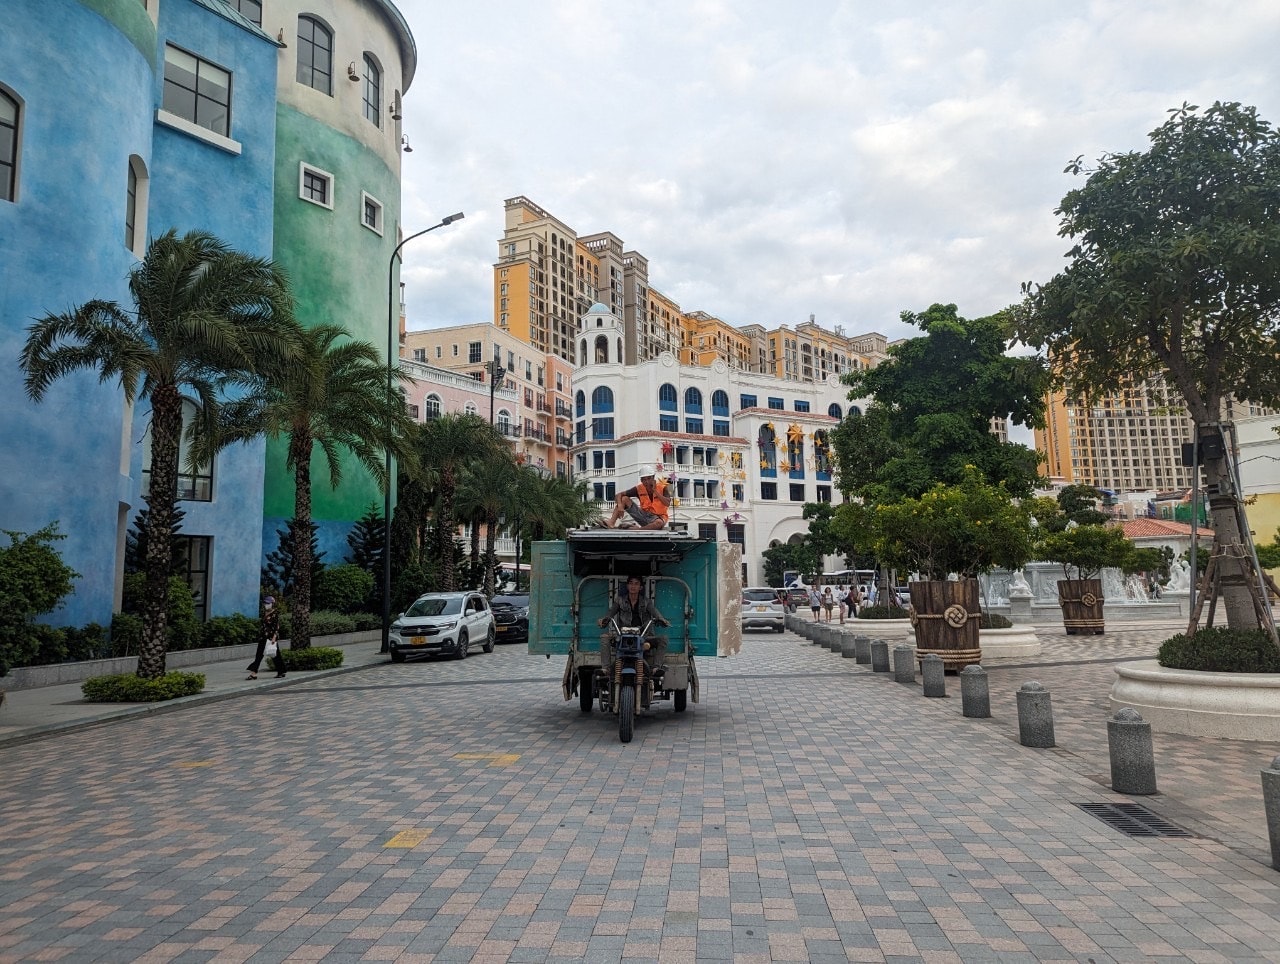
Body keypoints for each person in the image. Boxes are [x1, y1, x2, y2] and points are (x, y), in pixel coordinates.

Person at [597, 575, 671, 680]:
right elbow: (610, 613)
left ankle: (656, 668)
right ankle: (606, 669)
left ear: (640, 587)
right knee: (604, 637)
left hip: (643, 636)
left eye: (636, 584)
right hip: (622, 636)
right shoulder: (619, 601)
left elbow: (656, 614)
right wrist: (603, 620)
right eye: (631, 583)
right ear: (627, 586)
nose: (633, 586)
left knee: (663, 639)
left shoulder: (646, 602)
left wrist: (662, 620)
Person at [604, 464, 671, 530]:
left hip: (658, 518)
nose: (647, 481)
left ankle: (637, 529)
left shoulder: (662, 488)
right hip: (643, 515)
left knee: (658, 523)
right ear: (641, 480)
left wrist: (655, 491)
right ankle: (611, 523)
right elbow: (619, 495)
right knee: (624, 499)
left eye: (649, 478)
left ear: (653, 478)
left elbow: (667, 503)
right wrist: (620, 506)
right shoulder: (639, 488)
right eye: (644, 479)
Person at [248, 596, 285, 680]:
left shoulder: (275, 614)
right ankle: (253, 673)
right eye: (265, 603)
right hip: (263, 637)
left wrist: (274, 637)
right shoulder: (264, 613)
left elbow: (277, 626)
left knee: (275, 655)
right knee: (259, 655)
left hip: (271, 637)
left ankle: (281, 671)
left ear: (272, 604)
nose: (266, 605)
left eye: (268, 603)